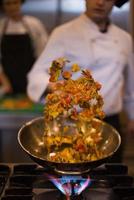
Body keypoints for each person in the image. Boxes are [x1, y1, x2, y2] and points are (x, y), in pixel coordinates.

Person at [27, 0, 134, 162]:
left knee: (111, 179)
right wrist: (53, 86)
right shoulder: (63, 33)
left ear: (115, 2)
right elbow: (37, 74)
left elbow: (131, 85)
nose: (100, 2)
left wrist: (133, 116)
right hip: (71, 125)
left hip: (110, 126)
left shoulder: (124, 38)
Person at [0, 0, 48, 95]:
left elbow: (43, 54)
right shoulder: (1, 26)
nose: (12, 7)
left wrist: (39, 77)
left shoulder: (34, 24)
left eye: (15, 3)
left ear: (21, 3)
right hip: (7, 81)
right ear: (3, 6)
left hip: (32, 77)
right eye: (8, 4)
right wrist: (4, 80)